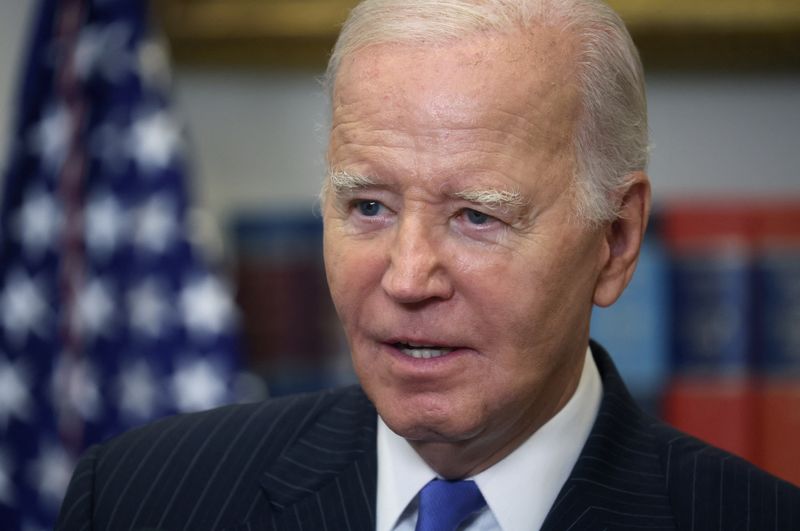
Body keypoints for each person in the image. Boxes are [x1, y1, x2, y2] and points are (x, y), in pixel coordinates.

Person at [57, 0, 799, 530]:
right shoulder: (138, 499)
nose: (407, 278)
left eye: (478, 215)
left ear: (616, 240)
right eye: (369, 207)